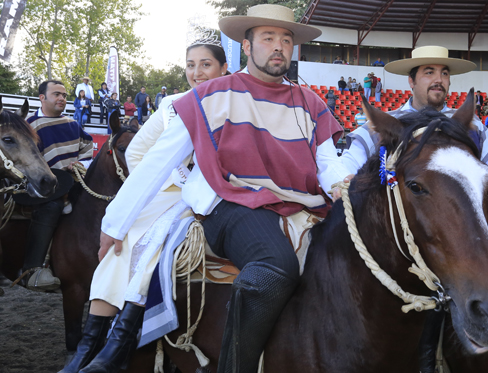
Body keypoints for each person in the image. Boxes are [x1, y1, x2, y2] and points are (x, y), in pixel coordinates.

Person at [64, 5, 347, 373]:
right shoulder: (208, 95)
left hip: (301, 206)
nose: (278, 46)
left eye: (286, 39)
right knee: (275, 268)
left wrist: (344, 188)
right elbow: (155, 163)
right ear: (246, 46)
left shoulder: (310, 102)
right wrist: (114, 225)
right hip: (234, 204)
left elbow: (328, 162)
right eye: (268, 38)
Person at [61, 33, 232, 373]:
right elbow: (138, 152)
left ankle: (119, 342)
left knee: (157, 238)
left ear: (224, 69)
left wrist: (195, 183)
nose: (197, 72)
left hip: (210, 195)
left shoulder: (235, 104)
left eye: (206, 65)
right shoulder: (173, 105)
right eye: (190, 65)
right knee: (120, 242)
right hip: (170, 192)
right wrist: (170, 181)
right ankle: (88, 347)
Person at [338, 45, 488, 196]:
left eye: (445, 73)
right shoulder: (389, 122)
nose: (439, 80)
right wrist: (345, 179)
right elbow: (351, 159)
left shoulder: (471, 124)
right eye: (429, 72)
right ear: (411, 81)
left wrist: (485, 186)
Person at [18, 80, 92, 292]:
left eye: (64, 95)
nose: (62, 98)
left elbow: (87, 149)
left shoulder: (73, 123)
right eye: (56, 94)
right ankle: (32, 271)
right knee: (52, 206)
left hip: (75, 181)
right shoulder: (29, 125)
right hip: (38, 187)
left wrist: (81, 163)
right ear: (42, 98)